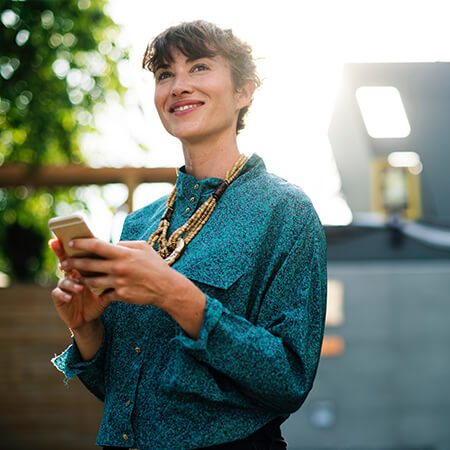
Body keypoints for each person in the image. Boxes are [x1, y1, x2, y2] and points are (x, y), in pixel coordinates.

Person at [50, 20, 327, 450]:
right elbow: (120, 393)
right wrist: (86, 330)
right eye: (165, 74)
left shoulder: (285, 212)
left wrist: (174, 294)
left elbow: (290, 379)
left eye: (198, 67)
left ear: (244, 91)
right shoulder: (138, 225)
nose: (178, 85)